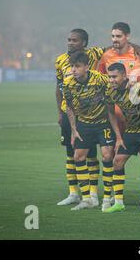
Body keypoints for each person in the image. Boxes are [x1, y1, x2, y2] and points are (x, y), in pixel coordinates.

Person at [62, 51, 122, 211]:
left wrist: (117, 134)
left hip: (103, 124)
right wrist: (74, 129)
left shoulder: (101, 80)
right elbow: (69, 107)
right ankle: (87, 198)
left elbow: (110, 107)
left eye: (77, 66)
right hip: (84, 124)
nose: (73, 70)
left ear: (87, 67)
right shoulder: (67, 83)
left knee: (107, 156)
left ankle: (107, 198)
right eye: (72, 66)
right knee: (78, 157)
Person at [55, 29, 103, 207]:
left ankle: (92, 194)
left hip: (88, 113)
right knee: (70, 152)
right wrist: (60, 113)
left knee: (89, 153)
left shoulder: (94, 54)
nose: (70, 43)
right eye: (68, 39)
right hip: (69, 113)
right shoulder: (60, 60)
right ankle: (73, 193)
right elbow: (58, 88)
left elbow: (114, 49)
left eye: (74, 40)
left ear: (84, 43)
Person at [103, 63, 140, 215]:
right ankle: (119, 203)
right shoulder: (111, 92)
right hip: (131, 130)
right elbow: (110, 114)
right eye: (110, 77)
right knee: (117, 161)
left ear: (124, 76)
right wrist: (119, 137)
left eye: (114, 77)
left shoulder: (138, 89)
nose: (112, 80)